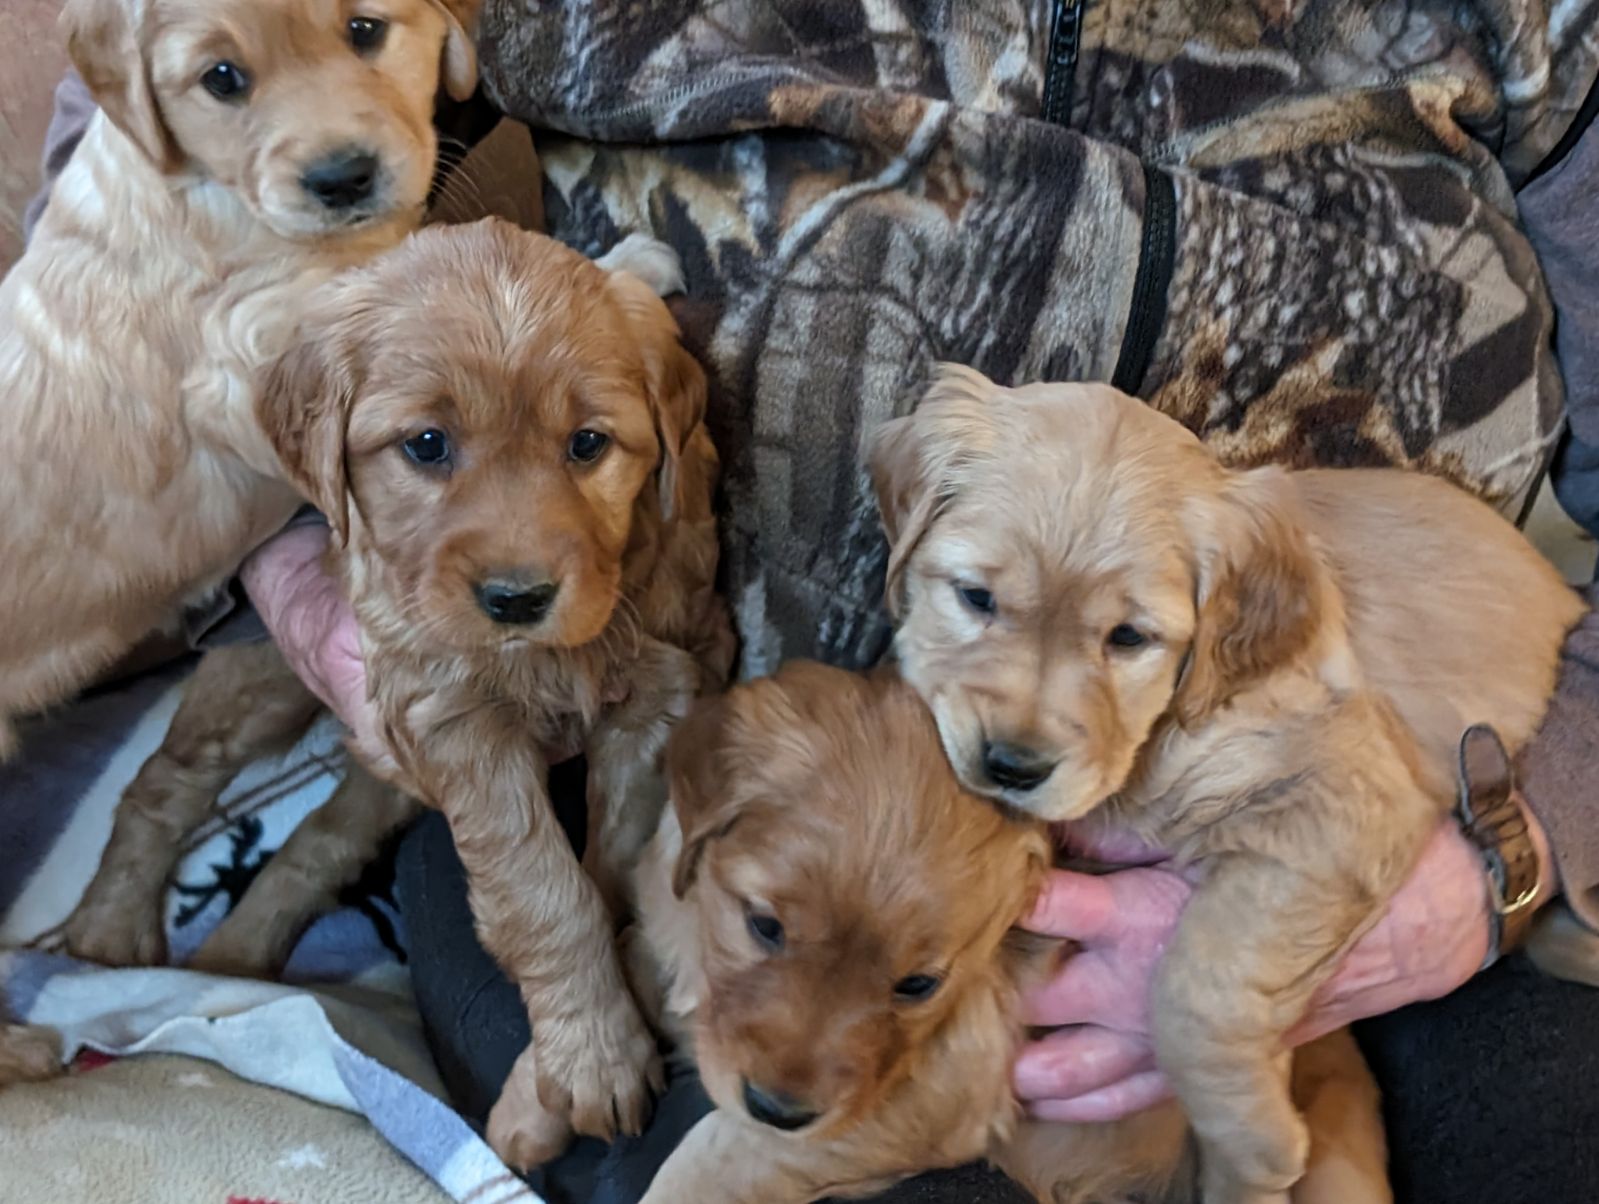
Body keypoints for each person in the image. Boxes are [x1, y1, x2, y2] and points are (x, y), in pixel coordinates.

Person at [23, 2, 1599, 1201]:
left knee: (1550, 1139)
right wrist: (328, 581)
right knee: (698, 1148)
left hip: (1381, 778)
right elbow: (175, 212)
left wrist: (1506, 855)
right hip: (673, 793)